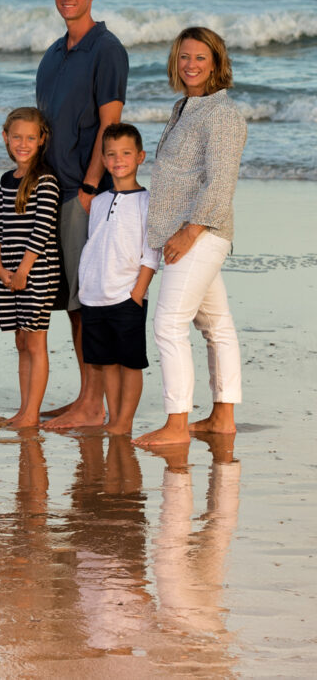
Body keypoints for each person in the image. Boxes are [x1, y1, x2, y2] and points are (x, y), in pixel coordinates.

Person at [134, 27, 247, 447]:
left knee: (168, 324)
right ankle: (222, 418)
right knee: (216, 325)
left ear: (216, 62)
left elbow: (220, 184)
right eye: (184, 57)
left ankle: (177, 423)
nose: (191, 65)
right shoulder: (186, 106)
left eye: (200, 57)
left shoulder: (222, 114)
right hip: (186, 232)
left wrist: (189, 231)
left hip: (200, 233)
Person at [35, 0, 129, 429]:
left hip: (84, 195)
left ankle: (94, 405)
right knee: (70, 302)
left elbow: (110, 126)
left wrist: (91, 187)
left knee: (88, 301)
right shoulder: (53, 53)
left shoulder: (106, 49)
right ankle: (86, 397)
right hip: (53, 194)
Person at [78, 123, 160, 435]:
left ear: (140, 156)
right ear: (103, 158)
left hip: (127, 296)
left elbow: (151, 251)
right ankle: (114, 419)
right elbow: (94, 246)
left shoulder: (147, 201)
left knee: (131, 363)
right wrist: (86, 285)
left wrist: (138, 293)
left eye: (126, 153)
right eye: (111, 154)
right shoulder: (98, 201)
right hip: (94, 296)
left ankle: (125, 421)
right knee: (106, 363)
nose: (118, 159)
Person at [0, 108, 61, 428]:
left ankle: (32, 414)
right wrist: (0, 265)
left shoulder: (45, 180)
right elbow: (0, 225)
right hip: (9, 271)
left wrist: (23, 270)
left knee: (35, 341)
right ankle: (23, 409)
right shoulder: (8, 180)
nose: (23, 143)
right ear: (6, 137)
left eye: (30, 137)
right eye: (16, 136)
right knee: (20, 340)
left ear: (41, 139)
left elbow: (42, 228)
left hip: (38, 271)